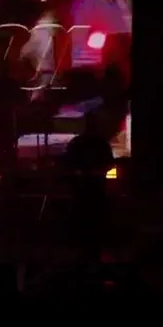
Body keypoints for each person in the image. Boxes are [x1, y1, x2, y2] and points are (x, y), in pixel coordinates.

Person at [64, 112, 116, 264]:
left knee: (86, 220)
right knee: (92, 220)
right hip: (92, 188)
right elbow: (109, 163)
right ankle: (91, 253)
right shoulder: (100, 143)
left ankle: (86, 254)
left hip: (85, 188)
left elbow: (68, 163)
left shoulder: (79, 143)